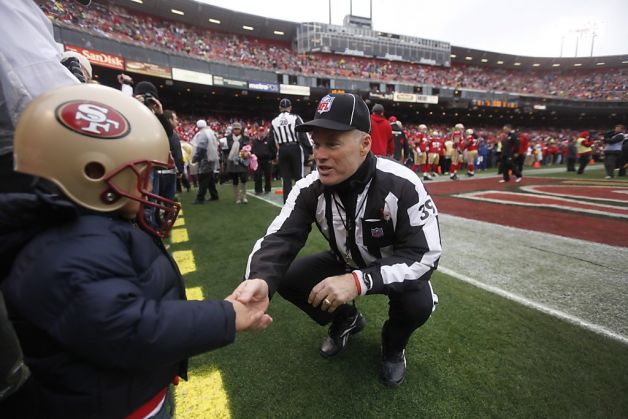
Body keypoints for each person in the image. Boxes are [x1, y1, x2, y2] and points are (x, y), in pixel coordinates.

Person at [0, 84, 271, 418]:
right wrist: (227, 316)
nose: (147, 185)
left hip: (124, 393)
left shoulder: (79, 233)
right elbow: (128, 329)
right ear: (94, 172)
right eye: (140, 173)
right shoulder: (63, 250)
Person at [238, 93, 441, 388]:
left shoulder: (402, 183)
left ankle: (394, 346)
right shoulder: (309, 188)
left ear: (364, 145)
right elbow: (279, 238)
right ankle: (347, 319)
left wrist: (359, 282)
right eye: (317, 143)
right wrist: (259, 279)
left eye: (332, 143)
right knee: (289, 277)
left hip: (391, 266)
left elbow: (426, 255)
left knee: (417, 304)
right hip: (345, 261)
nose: (319, 154)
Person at [269, 98, 310, 203]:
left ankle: (287, 203)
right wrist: (310, 150)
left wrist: (273, 156)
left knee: (286, 179)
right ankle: (301, 201)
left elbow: (271, 141)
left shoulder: (274, 121)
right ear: (290, 108)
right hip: (295, 148)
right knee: (299, 176)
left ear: (280, 108)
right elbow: (303, 134)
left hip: (282, 149)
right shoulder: (295, 117)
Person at [159, 110, 185, 202]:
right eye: (175, 119)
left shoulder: (159, 131)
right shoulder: (172, 135)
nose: (177, 121)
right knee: (169, 201)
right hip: (168, 171)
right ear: (169, 120)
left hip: (158, 171)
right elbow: (177, 154)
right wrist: (180, 169)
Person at [192, 119, 220, 203]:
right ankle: (214, 195)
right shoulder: (211, 132)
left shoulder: (202, 134)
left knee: (203, 178)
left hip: (206, 159)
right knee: (209, 177)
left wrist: (196, 158)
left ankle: (200, 198)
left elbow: (201, 148)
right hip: (212, 158)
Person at [224, 122, 251, 204]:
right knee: (235, 180)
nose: (236, 131)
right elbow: (225, 150)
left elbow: (248, 148)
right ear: (232, 130)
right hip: (232, 161)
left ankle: (244, 196)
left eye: (238, 129)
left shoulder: (245, 138)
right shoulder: (228, 138)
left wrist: (245, 154)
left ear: (240, 130)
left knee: (243, 178)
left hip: (242, 161)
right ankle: (237, 197)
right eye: (235, 129)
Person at [251, 126, 276, 195]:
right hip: (257, 160)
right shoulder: (255, 141)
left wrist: (272, 158)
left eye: (262, 131)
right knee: (257, 175)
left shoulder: (269, 140)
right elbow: (252, 150)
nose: (261, 133)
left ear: (265, 132)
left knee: (268, 175)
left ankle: (267, 189)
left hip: (267, 160)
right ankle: (258, 190)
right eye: (260, 131)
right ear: (258, 133)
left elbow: (273, 149)